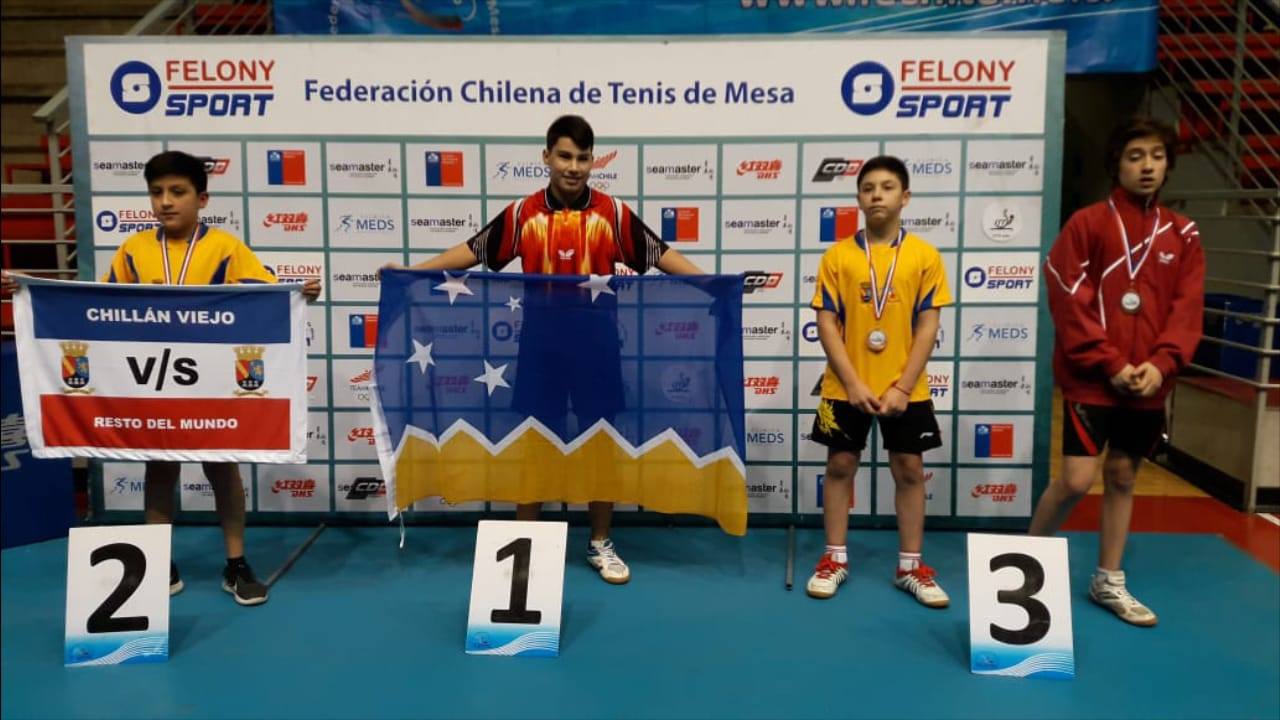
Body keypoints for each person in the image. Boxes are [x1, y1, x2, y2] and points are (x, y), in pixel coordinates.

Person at [388, 115, 702, 584]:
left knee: (600, 445)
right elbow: (474, 249)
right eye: (564, 156)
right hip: (541, 346)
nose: (573, 167)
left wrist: (716, 284)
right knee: (534, 445)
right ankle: (527, 545)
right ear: (547, 157)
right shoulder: (522, 214)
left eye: (583, 158)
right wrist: (413, 272)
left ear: (593, 162)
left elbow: (660, 254)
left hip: (597, 345)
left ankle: (600, 543)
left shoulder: (614, 215)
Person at [5, 150, 321, 606]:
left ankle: (236, 564)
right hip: (153, 382)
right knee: (158, 467)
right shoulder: (134, 250)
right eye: (156, 193)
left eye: (178, 192)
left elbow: (266, 297)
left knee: (223, 467)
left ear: (202, 199)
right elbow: (97, 306)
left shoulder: (226, 248)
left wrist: (298, 293)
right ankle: (156, 561)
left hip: (211, 384)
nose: (166, 201)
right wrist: (34, 290)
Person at [1030, 116, 1204, 626]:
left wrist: (1162, 363)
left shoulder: (1183, 234)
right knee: (1076, 480)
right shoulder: (1087, 224)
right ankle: (1023, 563)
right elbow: (1068, 296)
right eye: (1135, 156)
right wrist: (1109, 361)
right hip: (1093, 378)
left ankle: (1108, 579)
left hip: (1149, 380)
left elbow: (1187, 307)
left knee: (1124, 475)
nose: (1147, 166)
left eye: (1156, 156)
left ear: (1168, 165)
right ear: (1117, 164)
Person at [805, 156, 953, 607]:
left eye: (887, 187)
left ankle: (910, 566)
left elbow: (928, 326)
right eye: (868, 188)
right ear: (858, 198)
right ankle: (834, 558)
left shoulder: (924, 256)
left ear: (904, 197)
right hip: (844, 386)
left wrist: (903, 387)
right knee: (839, 466)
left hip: (906, 387)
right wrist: (851, 382)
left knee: (909, 469)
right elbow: (826, 324)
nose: (876, 195)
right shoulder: (838, 256)